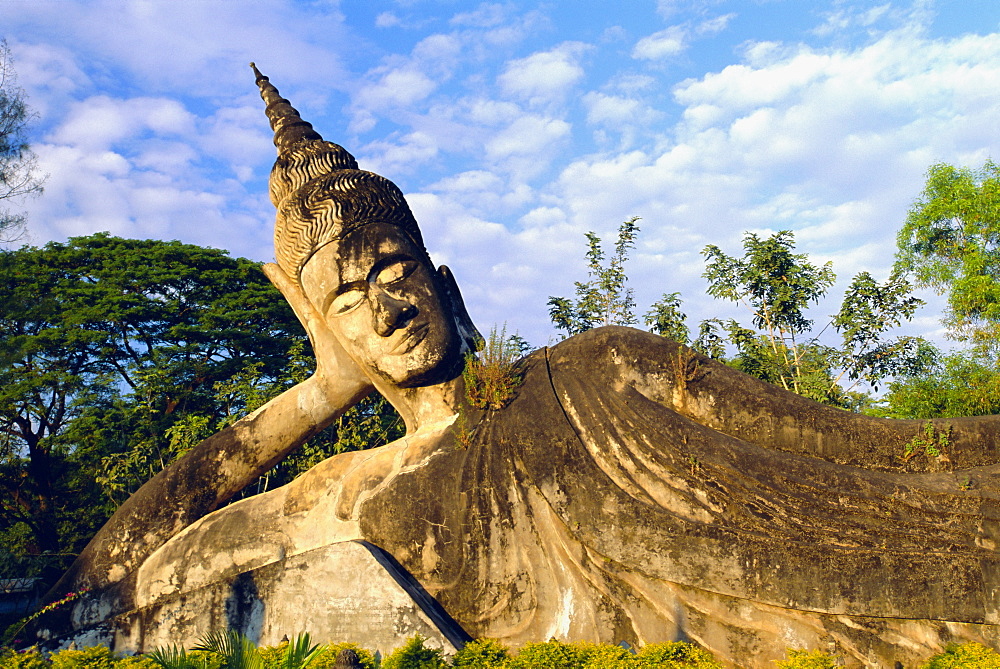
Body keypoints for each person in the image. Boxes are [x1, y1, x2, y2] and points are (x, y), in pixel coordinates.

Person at [47, 66, 1000, 668]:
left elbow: (863, 450)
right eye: (350, 300)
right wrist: (324, 389)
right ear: (329, 328)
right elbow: (104, 584)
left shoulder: (593, 368)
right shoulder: (344, 491)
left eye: (394, 269)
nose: (387, 306)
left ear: (439, 278)